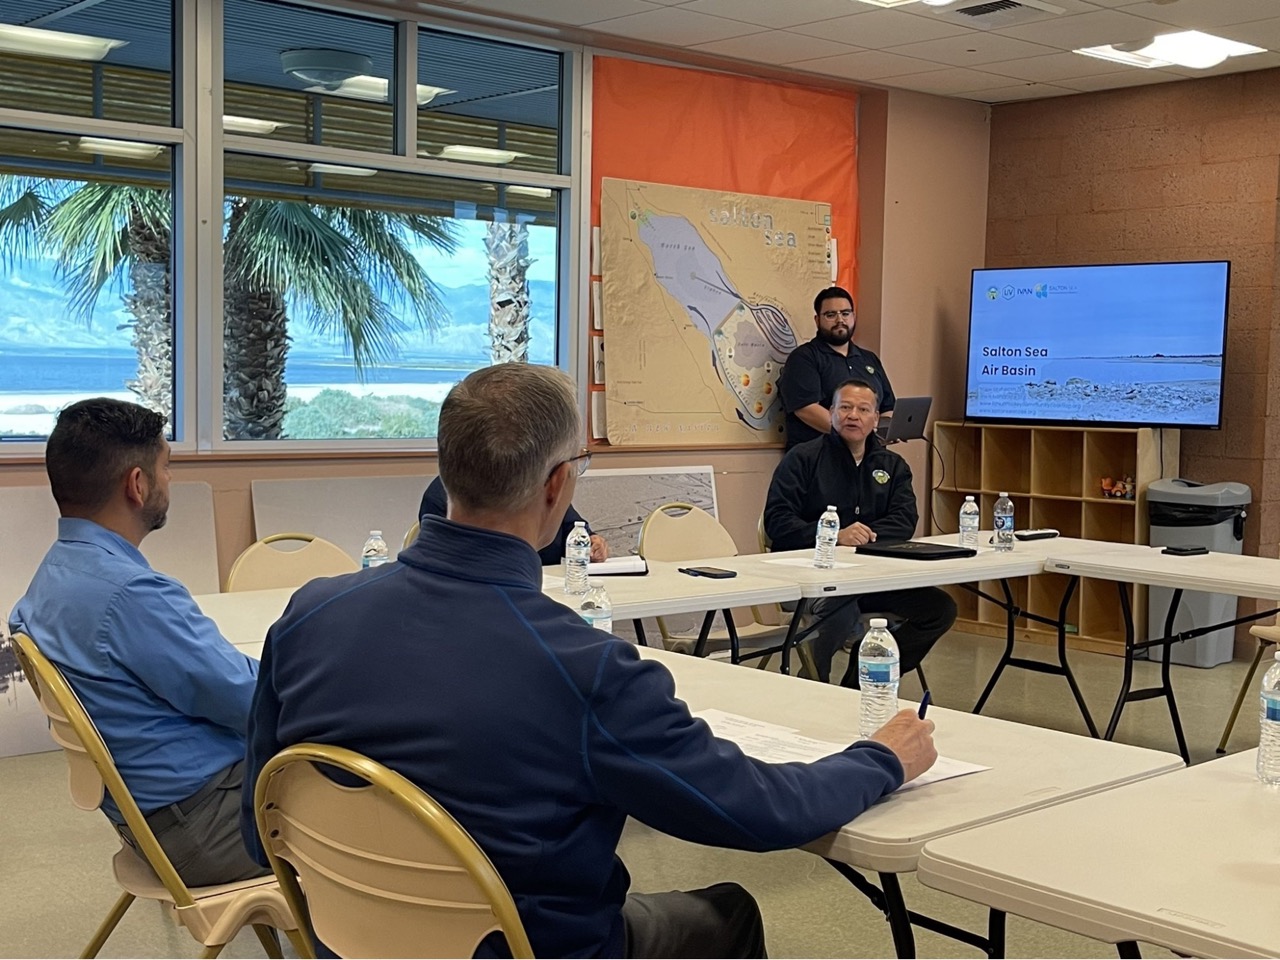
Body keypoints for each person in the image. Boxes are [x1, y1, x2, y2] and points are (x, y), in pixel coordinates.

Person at [243, 364, 936, 959]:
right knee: (729, 912)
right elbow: (756, 812)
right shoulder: (585, 669)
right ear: (557, 486)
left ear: (447, 468)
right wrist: (881, 759)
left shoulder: (308, 616)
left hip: (348, 941)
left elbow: (258, 828)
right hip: (532, 945)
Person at [9, 398, 267, 887]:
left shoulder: (53, 576)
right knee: (384, 790)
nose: (169, 481)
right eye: (166, 467)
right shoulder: (132, 595)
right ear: (137, 484)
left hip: (147, 822)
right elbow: (251, 702)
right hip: (203, 827)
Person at [764, 379, 956, 687]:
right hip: (817, 580)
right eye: (845, 407)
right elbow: (777, 521)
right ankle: (815, 683)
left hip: (874, 578)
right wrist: (835, 535)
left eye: (863, 409)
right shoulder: (803, 459)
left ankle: (859, 679)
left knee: (940, 609)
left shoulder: (892, 465)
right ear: (832, 413)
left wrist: (865, 536)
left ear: (876, 418)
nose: (854, 415)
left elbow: (905, 521)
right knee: (840, 610)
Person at [778, 286, 896, 450]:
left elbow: (887, 407)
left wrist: (884, 432)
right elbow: (806, 409)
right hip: (819, 459)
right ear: (817, 320)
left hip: (869, 458)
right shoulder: (804, 358)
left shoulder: (869, 359)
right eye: (831, 315)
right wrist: (858, 433)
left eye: (845, 313)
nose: (840, 320)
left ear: (853, 317)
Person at [419, 474, 607, 564]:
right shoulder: (442, 495)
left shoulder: (539, 482)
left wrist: (593, 542)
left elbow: (575, 529)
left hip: (548, 594)